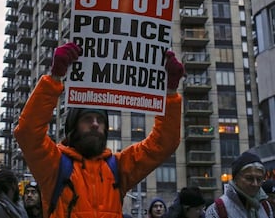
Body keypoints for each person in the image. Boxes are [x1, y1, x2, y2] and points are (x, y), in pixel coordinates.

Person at [14, 42, 184, 218]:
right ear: (72, 126)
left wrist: (170, 93)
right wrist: (54, 79)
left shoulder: (118, 167)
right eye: (87, 119)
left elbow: (163, 144)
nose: (95, 124)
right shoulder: (54, 164)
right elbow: (27, 132)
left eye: (101, 120)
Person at [205, 151, 271, 218]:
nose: (255, 184)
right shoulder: (218, 209)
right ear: (236, 179)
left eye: (259, 179)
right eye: (249, 178)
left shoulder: (266, 206)